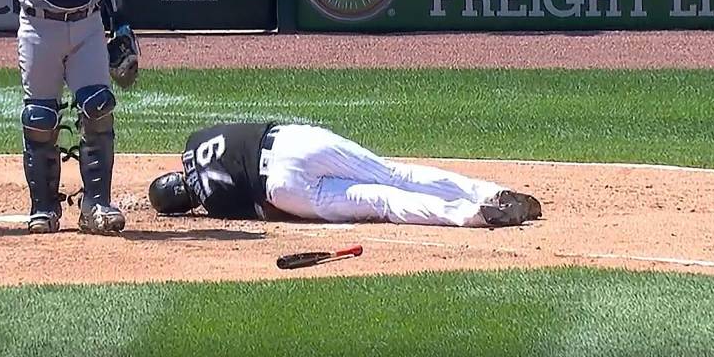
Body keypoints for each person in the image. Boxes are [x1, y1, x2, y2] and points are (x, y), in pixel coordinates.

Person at [0, 0, 139, 234]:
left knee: (98, 107)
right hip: (39, 25)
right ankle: (43, 206)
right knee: (40, 117)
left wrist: (120, 22)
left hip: (88, 23)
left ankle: (96, 205)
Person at [148, 123, 543, 228]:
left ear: (184, 206)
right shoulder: (195, 139)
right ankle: (493, 191)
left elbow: (269, 211)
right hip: (293, 142)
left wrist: (314, 211)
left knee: (382, 201)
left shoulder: (214, 204)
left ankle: (472, 215)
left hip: (284, 188)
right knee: (394, 172)